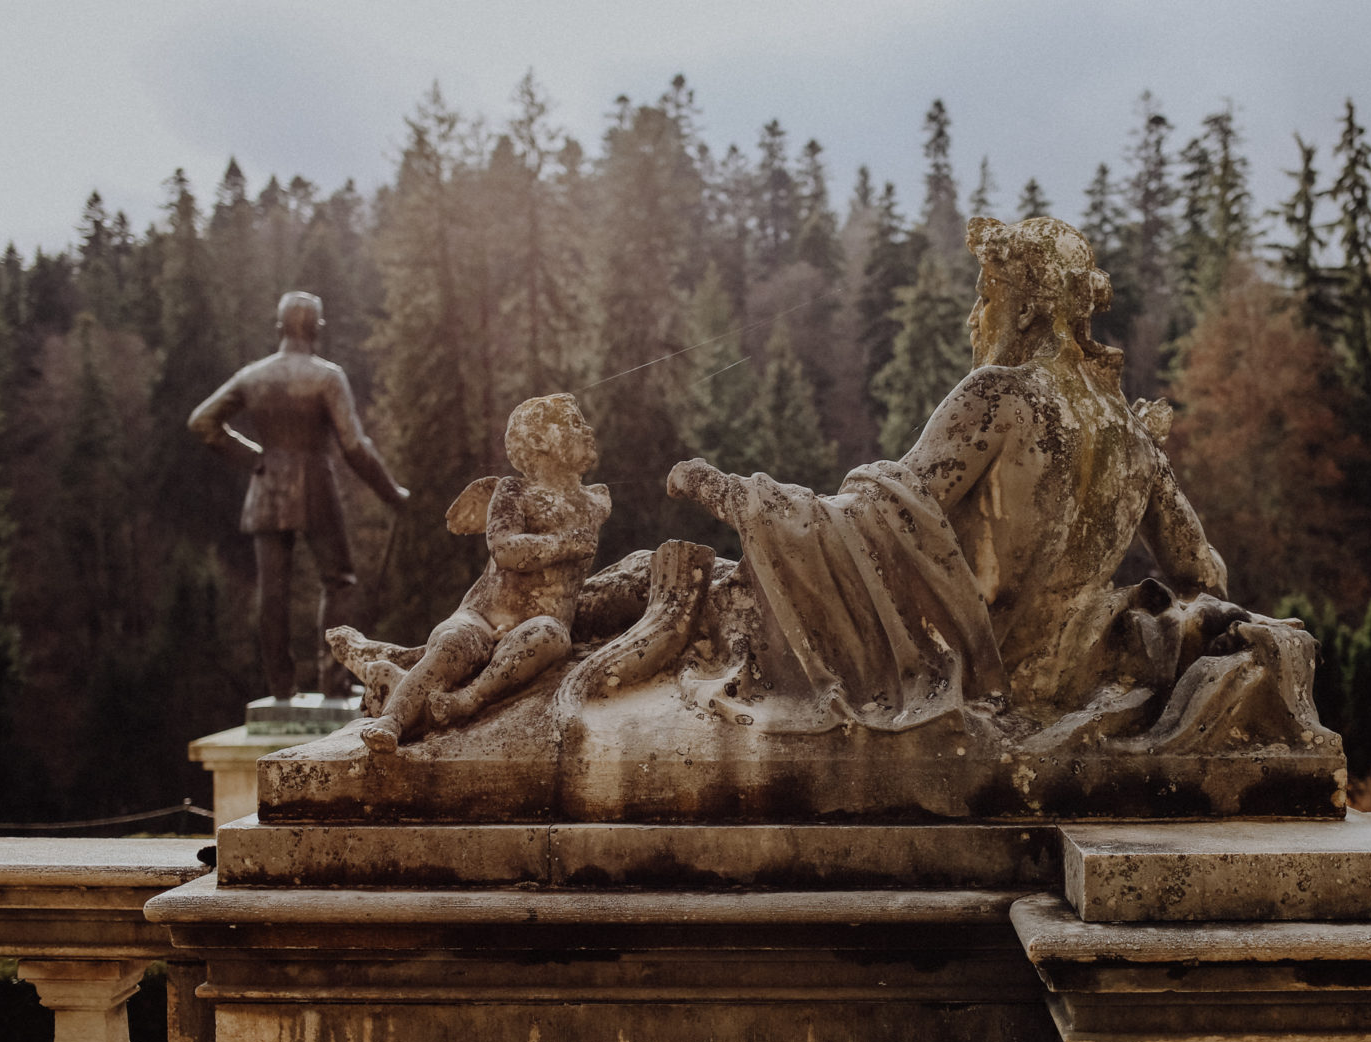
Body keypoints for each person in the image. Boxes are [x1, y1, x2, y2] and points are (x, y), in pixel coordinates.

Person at [668, 216, 1237, 722]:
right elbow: (1202, 574)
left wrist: (742, 499)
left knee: (683, 595)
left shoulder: (1001, 396)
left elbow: (878, 517)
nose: (977, 316)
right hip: (1070, 678)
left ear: (1031, 305)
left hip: (977, 675)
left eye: (988, 296)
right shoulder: (1136, 438)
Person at [332, 395, 610, 752]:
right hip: (483, 614)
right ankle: (393, 720)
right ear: (539, 441)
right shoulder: (514, 491)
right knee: (451, 645)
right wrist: (565, 543)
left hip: (541, 622)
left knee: (550, 637)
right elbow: (505, 550)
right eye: (572, 422)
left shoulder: (596, 502)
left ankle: (467, 700)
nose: (586, 430)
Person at [188, 291, 409, 699]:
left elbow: (203, 422)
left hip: (267, 487)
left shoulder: (253, 376)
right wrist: (390, 492)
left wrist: (254, 457)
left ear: (280, 328)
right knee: (339, 580)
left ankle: (281, 688)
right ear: (317, 330)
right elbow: (354, 446)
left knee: (272, 591)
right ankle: (334, 681)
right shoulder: (326, 376)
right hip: (314, 486)